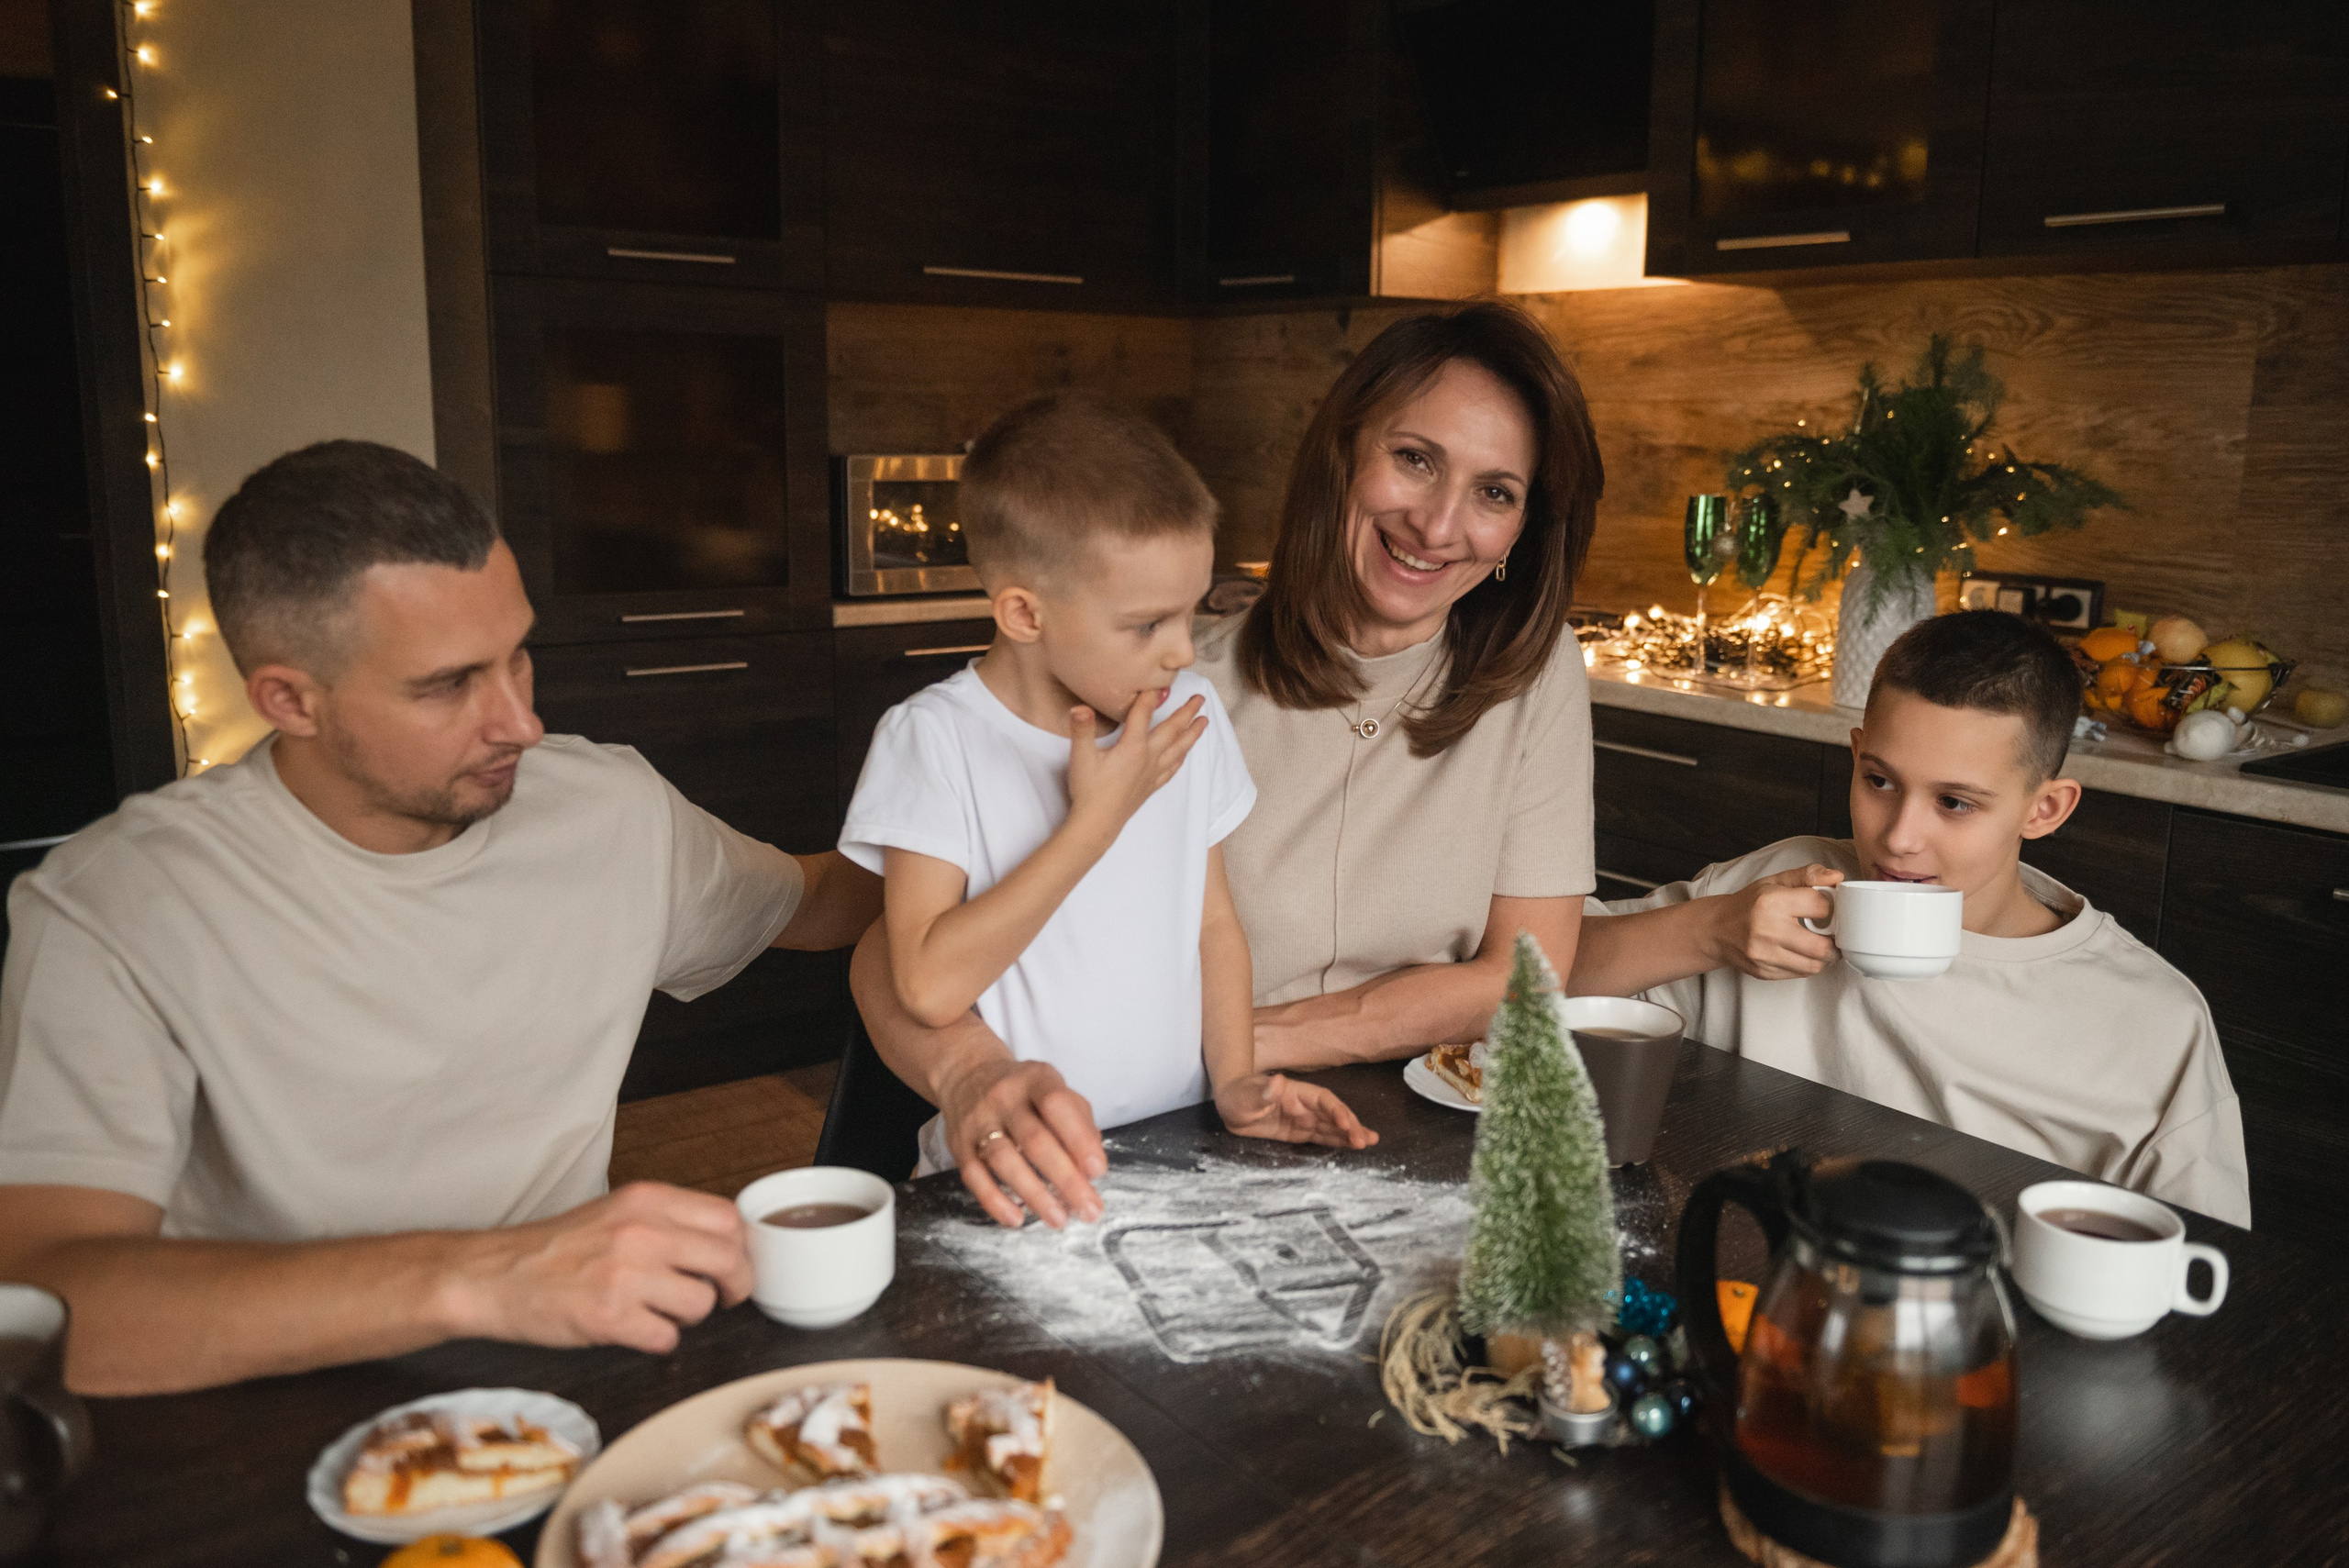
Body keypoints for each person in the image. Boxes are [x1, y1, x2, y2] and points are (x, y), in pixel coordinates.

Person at [0, 440, 883, 1394]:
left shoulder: (608, 809)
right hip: (263, 1403)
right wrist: (484, 1277)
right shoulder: (116, 903)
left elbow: (828, 900)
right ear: (287, 699)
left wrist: (1027, 819)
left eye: (518, 658)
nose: (520, 722)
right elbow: (47, 1300)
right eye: (450, 683)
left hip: (567, 1367)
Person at [853, 302, 1602, 1228]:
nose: (1439, 522)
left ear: (1525, 528)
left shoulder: (1537, 673)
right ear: (1342, 453)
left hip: (1364, 1126)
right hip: (1137, 1135)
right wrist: (979, 1069)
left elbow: (1526, 974)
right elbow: (899, 950)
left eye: (1496, 492)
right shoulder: (1159, 684)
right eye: (1414, 458)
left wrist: (1239, 1054)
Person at [838, 394, 1373, 1183]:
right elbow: (926, 982)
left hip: (1179, 1153)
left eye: (1190, 614)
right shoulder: (933, 741)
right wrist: (1096, 823)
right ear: (1025, 613)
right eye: (1147, 624)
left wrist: (1235, 1082)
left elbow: (1214, 925)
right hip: (1013, 1172)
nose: (1182, 651)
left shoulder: (1187, 718)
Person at [1569, 609, 2250, 1226]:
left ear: (2046, 809)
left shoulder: (2155, 1024)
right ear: (1856, 754)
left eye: (1954, 802)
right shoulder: (1772, 887)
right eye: (1880, 780)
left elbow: (2201, 1272)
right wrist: (1709, 929)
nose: (1897, 837)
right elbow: (1534, 979)